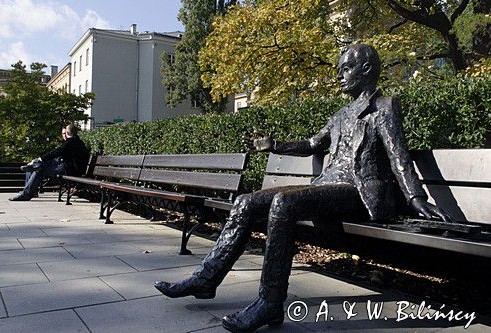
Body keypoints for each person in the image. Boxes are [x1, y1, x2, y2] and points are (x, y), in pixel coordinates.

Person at [154, 44, 453, 332]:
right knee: (246, 201)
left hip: (358, 191)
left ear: (365, 69)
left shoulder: (384, 107)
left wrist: (416, 198)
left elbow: (398, 153)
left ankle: (270, 301)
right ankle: (206, 278)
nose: (339, 75)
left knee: (284, 201)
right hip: (330, 187)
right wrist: (275, 145)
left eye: (345, 69)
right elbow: (312, 144)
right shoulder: (340, 116)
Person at [10, 124, 89, 201]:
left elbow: (57, 152)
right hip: (69, 168)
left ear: (68, 133)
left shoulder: (71, 143)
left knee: (39, 169)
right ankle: (29, 190)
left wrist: (40, 159)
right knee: (35, 167)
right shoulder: (77, 142)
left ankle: (27, 194)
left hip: (70, 171)